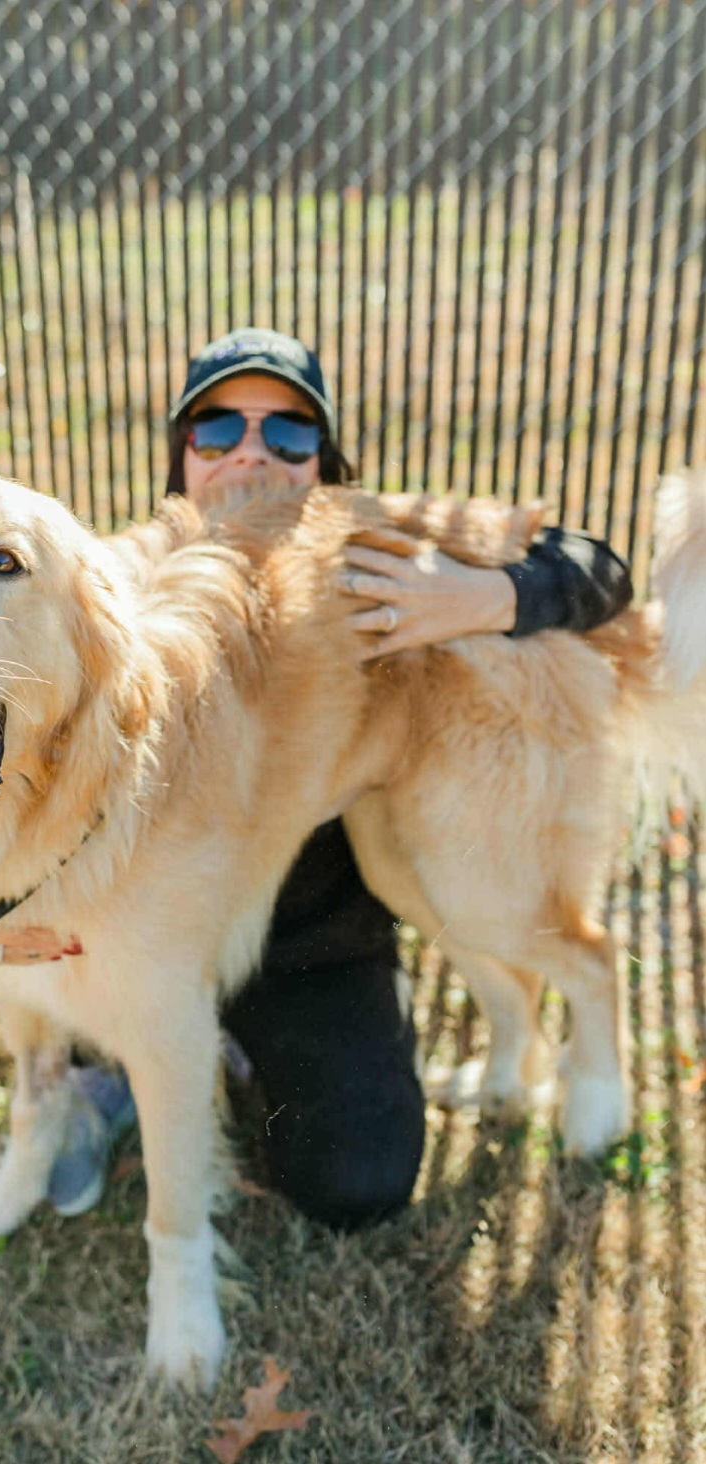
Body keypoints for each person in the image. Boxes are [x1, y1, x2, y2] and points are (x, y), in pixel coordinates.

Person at [45, 327, 634, 1230]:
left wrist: (495, 597)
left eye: (287, 434)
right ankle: (114, 1067)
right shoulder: (117, 584)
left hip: (308, 942)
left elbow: (596, 569)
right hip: (156, 928)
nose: (251, 452)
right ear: (181, 458)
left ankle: (565, 1036)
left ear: (322, 465)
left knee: (355, 1178)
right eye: (217, 430)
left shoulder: (368, 552)